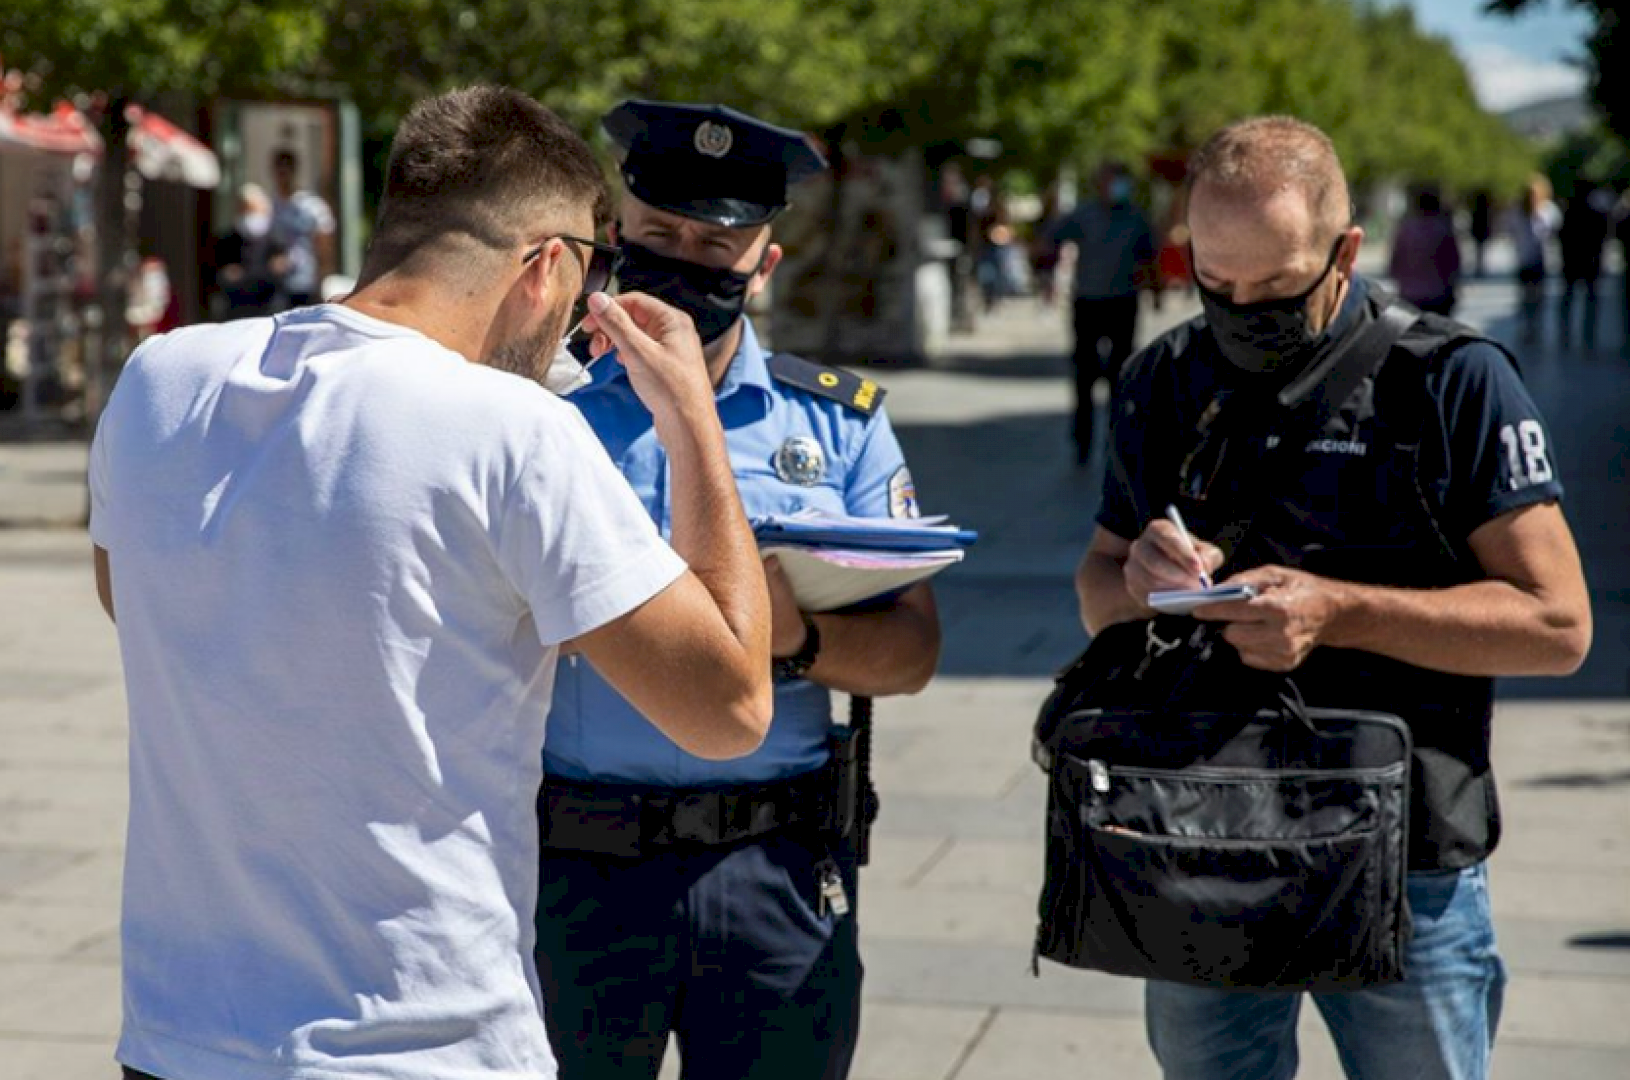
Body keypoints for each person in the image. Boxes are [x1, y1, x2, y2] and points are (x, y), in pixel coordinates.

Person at [90, 85, 775, 1080]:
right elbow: (731, 707)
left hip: (178, 1038)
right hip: (419, 1043)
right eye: (593, 264)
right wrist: (693, 426)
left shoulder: (160, 378)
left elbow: (135, 604)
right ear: (545, 265)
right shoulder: (513, 429)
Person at [1075, 115, 1591, 1080]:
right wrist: (1141, 582)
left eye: (1273, 287)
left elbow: (1559, 625)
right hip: (1201, 841)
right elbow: (1097, 589)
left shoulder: (1451, 382)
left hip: (1406, 865)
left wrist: (1339, 612)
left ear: (1345, 251)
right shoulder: (1162, 380)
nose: (1238, 310)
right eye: (1214, 283)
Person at [533, 99, 942, 1080]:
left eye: (717, 242)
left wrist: (794, 640)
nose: (684, 260)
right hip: (576, 864)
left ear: (764, 265)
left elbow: (911, 652)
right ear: (612, 240)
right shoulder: (545, 415)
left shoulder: (838, 427)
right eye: (657, 235)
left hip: (774, 865)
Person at [1048, 161, 1156, 465]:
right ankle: (1082, 440)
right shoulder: (1084, 215)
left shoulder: (1136, 218)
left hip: (1123, 301)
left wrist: (1155, 290)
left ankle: (1118, 440)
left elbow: (1149, 256)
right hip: (1088, 302)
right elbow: (1053, 238)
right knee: (1084, 373)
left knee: (1122, 374)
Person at [268, 148, 337, 308]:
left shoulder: (311, 206)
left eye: (286, 170)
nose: (282, 175)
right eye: (279, 170)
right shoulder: (273, 206)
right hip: (278, 284)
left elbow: (324, 246)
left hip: (306, 283)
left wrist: (321, 280)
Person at [211, 182, 287, 318]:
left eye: (252, 209)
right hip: (237, 309)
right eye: (244, 209)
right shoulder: (227, 240)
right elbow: (220, 274)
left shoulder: (275, 238)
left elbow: (280, 270)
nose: (248, 215)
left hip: (268, 307)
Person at [1388, 184, 1462, 316]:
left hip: (1409, 293)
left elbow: (1395, 259)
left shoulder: (1406, 229)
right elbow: (1453, 262)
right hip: (1438, 293)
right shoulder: (1442, 230)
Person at [1556, 179, 1613, 350]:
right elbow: (1604, 238)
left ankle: (1566, 334)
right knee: (1589, 302)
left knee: (1569, 299)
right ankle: (1587, 336)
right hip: (1589, 264)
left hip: (1574, 263)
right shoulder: (1596, 214)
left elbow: (1562, 237)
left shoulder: (1570, 212)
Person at [1505, 174, 1560, 343]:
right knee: (1525, 295)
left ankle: (1536, 325)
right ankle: (1527, 325)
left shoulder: (1548, 211)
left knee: (1538, 295)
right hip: (1523, 258)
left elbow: (1554, 231)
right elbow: (1510, 231)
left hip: (1541, 259)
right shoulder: (1516, 212)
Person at [1468, 190, 1493, 278]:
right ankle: (1480, 267)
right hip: (1480, 230)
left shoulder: (1477, 210)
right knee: (1480, 250)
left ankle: (1479, 267)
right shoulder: (1483, 210)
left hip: (1479, 230)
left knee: (1479, 250)